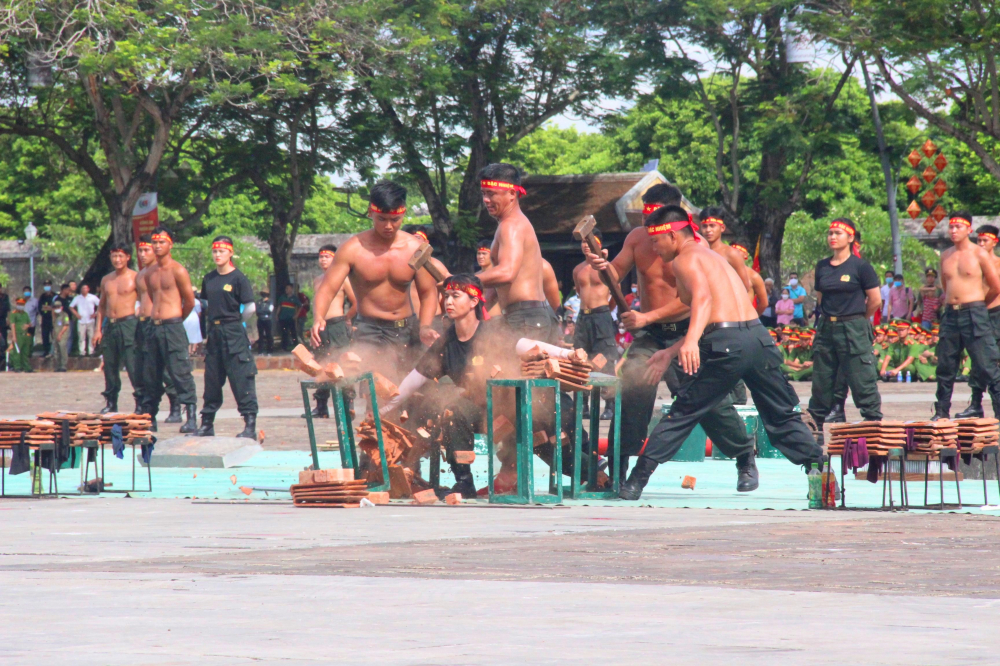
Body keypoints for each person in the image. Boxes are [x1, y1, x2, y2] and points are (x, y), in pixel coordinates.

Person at [616, 205, 823, 500]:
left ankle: (635, 481)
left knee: (683, 412)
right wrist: (672, 351)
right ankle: (820, 469)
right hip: (758, 339)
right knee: (782, 417)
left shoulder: (684, 260)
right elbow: (715, 307)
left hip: (727, 343)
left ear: (673, 236)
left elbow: (702, 299)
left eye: (655, 241)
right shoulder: (712, 257)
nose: (653, 248)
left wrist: (689, 342)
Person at [581, 190, 757, 492]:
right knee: (632, 388)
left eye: (659, 218)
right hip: (650, 336)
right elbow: (613, 274)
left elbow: (696, 301)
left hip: (689, 333)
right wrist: (599, 264)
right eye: (648, 216)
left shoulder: (695, 248)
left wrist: (646, 317)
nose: (653, 225)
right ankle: (620, 469)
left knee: (707, 400)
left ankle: (744, 457)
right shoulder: (637, 239)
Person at [380, 275, 498, 499]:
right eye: (446, 296)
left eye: (455, 296)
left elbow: (526, 346)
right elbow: (416, 377)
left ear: (474, 302)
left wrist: (566, 354)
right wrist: (384, 409)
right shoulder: (446, 340)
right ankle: (445, 479)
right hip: (469, 410)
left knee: (455, 408)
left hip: (501, 407)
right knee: (426, 405)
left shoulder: (491, 333)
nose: (448, 302)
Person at [309, 180, 439, 377]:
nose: (388, 226)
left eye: (394, 220)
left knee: (406, 391)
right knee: (376, 387)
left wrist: (425, 326)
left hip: (405, 328)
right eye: (382, 219)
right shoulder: (352, 249)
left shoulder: (414, 249)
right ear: (371, 212)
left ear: (403, 214)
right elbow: (327, 289)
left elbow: (428, 292)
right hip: (368, 329)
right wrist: (318, 317)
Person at [806, 217, 883, 430]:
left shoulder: (861, 267)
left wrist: (857, 318)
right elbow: (821, 298)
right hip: (827, 328)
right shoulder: (822, 266)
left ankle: (874, 427)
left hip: (853, 328)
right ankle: (815, 433)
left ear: (850, 237)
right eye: (830, 233)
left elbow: (875, 300)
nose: (832, 237)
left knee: (862, 380)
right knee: (821, 382)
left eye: (838, 233)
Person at [476, 164, 560, 342]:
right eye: (483, 193)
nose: (486, 199)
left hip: (526, 318)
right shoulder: (512, 224)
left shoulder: (511, 226)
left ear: (512, 194)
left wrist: (465, 280)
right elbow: (496, 288)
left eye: (491, 193)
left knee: (518, 371)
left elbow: (507, 273)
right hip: (530, 317)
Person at [933, 211, 1000, 420]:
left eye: (958, 227)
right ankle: (941, 412)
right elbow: (945, 286)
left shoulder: (979, 253)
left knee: (986, 363)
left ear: (968, 229)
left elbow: (996, 286)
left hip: (975, 312)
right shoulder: (945, 255)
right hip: (951, 314)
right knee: (945, 365)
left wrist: (978, 302)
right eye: (951, 227)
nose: (953, 231)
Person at [194, 236, 259, 439]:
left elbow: (250, 307)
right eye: (215, 251)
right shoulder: (209, 278)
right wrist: (204, 335)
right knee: (212, 379)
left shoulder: (238, 278)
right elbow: (205, 307)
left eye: (222, 251)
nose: (217, 255)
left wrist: (237, 321)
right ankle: (207, 423)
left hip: (233, 332)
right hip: (214, 334)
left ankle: (249, 425)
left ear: (230, 252)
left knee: (241, 378)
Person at [140, 226, 199, 433]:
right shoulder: (149, 272)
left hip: (172, 327)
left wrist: (176, 319)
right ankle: (150, 416)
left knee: (180, 372)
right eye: (154, 242)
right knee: (151, 374)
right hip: (153, 328)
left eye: (161, 242)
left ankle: (190, 416)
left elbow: (190, 301)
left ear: (170, 244)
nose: (157, 246)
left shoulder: (178, 270)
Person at [571, 228, 618, 420]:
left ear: (598, 244)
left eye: (589, 241)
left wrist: (604, 310)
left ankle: (610, 404)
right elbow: (579, 293)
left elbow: (616, 292)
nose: (585, 245)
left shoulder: (608, 268)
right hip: (583, 317)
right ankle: (583, 404)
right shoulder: (578, 270)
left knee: (604, 360)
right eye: (582, 242)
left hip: (601, 315)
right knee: (580, 360)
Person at [134, 235, 180, 424]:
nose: (143, 254)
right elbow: (140, 297)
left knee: (168, 369)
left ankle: (176, 406)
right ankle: (145, 407)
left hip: (162, 324)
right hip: (143, 324)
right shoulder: (141, 275)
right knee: (145, 369)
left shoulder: (166, 272)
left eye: (147, 250)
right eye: (141, 250)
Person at [955, 224, 1000, 417]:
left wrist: (981, 303)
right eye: (979, 240)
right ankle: (975, 403)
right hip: (978, 316)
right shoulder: (974, 262)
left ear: (994, 242)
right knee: (977, 358)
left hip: (995, 314)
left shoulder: (997, 264)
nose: (981, 244)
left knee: (991, 360)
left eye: (985, 240)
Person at [308, 244, 357, 418]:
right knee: (321, 363)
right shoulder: (317, 280)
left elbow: (355, 302)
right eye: (321, 257)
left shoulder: (343, 279)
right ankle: (321, 406)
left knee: (342, 363)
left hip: (338, 324)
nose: (323, 260)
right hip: (321, 326)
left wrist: (348, 319)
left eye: (327, 256)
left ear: (335, 258)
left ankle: (347, 403)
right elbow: (316, 306)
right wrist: (315, 324)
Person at [92, 244, 140, 413]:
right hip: (110, 325)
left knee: (133, 365)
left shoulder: (136, 277)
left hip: (129, 323)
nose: (117, 260)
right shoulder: (107, 279)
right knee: (110, 366)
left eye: (121, 256)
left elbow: (146, 300)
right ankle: (111, 401)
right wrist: (97, 329)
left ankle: (140, 402)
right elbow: (102, 306)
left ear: (127, 257)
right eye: (114, 256)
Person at [70, 284, 100, 356]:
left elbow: (100, 305)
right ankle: (82, 352)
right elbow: (71, 307)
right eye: (82, 288)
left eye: (85, 288)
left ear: (88, 289)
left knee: (91, 336)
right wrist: (76, 314)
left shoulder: (92, 297)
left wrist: (95, 314)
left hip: (90, 320)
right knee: (81, 337)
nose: (84, 290)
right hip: (81, 320)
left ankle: (91, 351)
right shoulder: (77, 298)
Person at [7, 298, 33, 372]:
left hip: (25, 335)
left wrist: (27, 326)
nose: (20, 306)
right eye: (19, 304)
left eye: (22, 304)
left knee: (25, 352)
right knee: (17, 352)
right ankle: (17, 367)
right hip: (18, 335)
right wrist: (14, 336)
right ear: (16, 304)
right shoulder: (14, 314)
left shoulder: (25, 314)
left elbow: (30, 323)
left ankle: (26, 367)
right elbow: (12, 325)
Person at [277, 284, 300, 351]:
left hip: (290, 318)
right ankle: (284, 347)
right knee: (284, 332)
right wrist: (277, 315)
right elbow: (279, 306)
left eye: (288, 288)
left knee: (293, 332)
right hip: (283, 318)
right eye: (286, 288)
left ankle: (296, 346)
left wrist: (296, 315)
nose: (286, 290)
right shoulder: (282, 297)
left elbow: (300, 306)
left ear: (291, 289)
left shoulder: (294, 298)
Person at [51, 298, 71, 372]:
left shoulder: (64, 315)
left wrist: (60, 334)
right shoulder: (54, 316)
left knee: (62, 349)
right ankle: (58, 366)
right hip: (55, 335)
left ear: (61, 307)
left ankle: (63, 366)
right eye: (55, 307)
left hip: (62, 335)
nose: (56, 309)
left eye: (58, 307)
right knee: (56, 351)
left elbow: (66, 325)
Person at [38, 279, 55, 356]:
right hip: (45, 319)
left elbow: (55, 307)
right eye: (45, 285)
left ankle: (54, 351)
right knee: (45, 336)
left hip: (53, 318)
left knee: (54, 335)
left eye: (48, 285)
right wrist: (48, 308)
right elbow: (40, 308)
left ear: (51, 286)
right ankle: (46, 351)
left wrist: (49, 308)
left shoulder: (54, 296)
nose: (47, 286)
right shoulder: (42, 296)